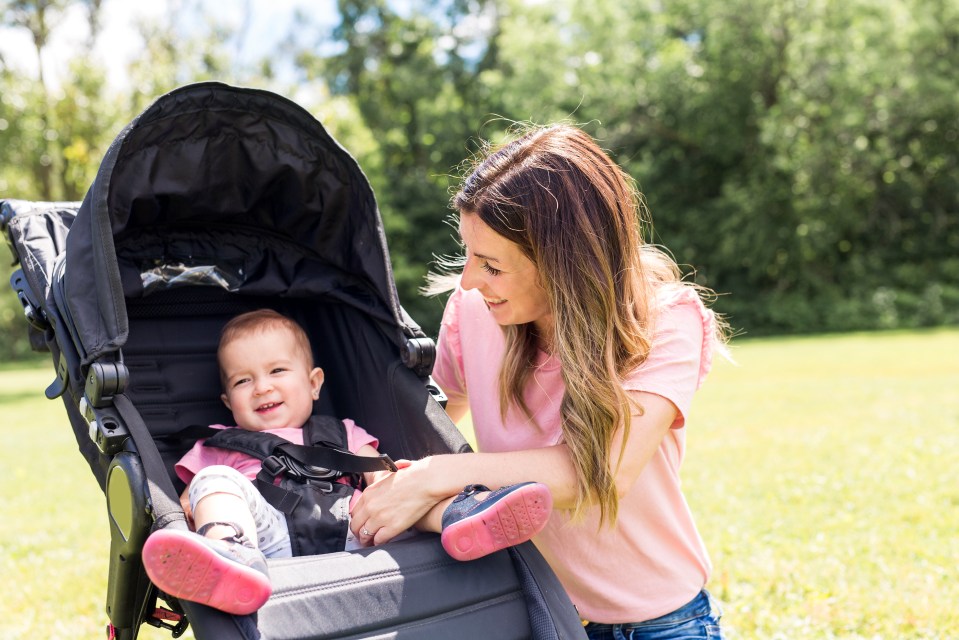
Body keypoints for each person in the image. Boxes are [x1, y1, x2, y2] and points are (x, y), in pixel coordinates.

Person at [349, 124, 728, 639]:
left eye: (491, 265)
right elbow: (417, 428)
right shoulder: (474, 311)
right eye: (468, 255)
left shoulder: (662, 320)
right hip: (530, 614)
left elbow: (600, 474)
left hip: (659, 624)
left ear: (563, 264)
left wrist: (437, 476)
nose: (468, 280)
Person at [142, 309, 552, 616]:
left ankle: (463, 518)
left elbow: (381, 479)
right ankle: (227, 554)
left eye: (277, 371)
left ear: (314, 383)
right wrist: (197, 511)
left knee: (403, 487)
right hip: (265, 540)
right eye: (243, 381)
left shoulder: (345, 433)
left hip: (353, 528)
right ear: (229, 403)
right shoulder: (220, 443)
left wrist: (396, 494)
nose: (262, 386)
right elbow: (192, 499)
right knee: (214, 479)